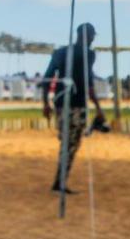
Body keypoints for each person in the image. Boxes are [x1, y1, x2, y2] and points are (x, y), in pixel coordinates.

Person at [42, 23, 107, 193]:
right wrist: (98, 107)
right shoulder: (88, 55)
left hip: (60, 103)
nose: (93, 39)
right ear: (87, 35)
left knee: (68, 142)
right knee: (70, 144)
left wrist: (45, 103)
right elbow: (88, 83)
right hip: (76, 104)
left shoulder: (60, 52)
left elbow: (47, 78)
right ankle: (59, 184)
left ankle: (59, 182)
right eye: (92, 35)